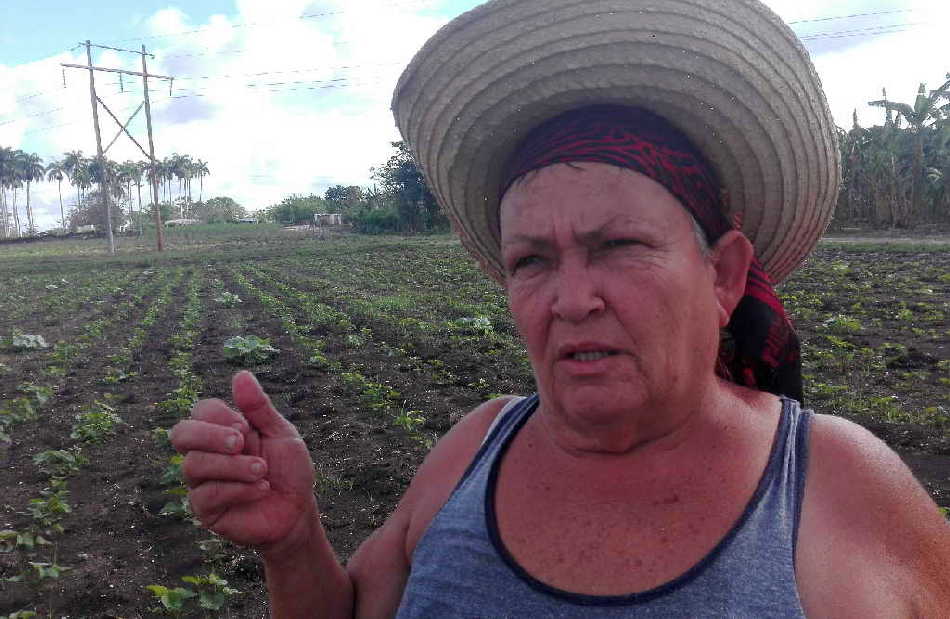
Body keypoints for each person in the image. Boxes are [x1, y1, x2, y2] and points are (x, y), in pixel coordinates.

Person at [171, 0, 950, 616]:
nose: (572, 299)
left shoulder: (839, 490)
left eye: (618, 245)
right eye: (532, 260)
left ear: (724, 275)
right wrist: (295, 540)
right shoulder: (472, 450)